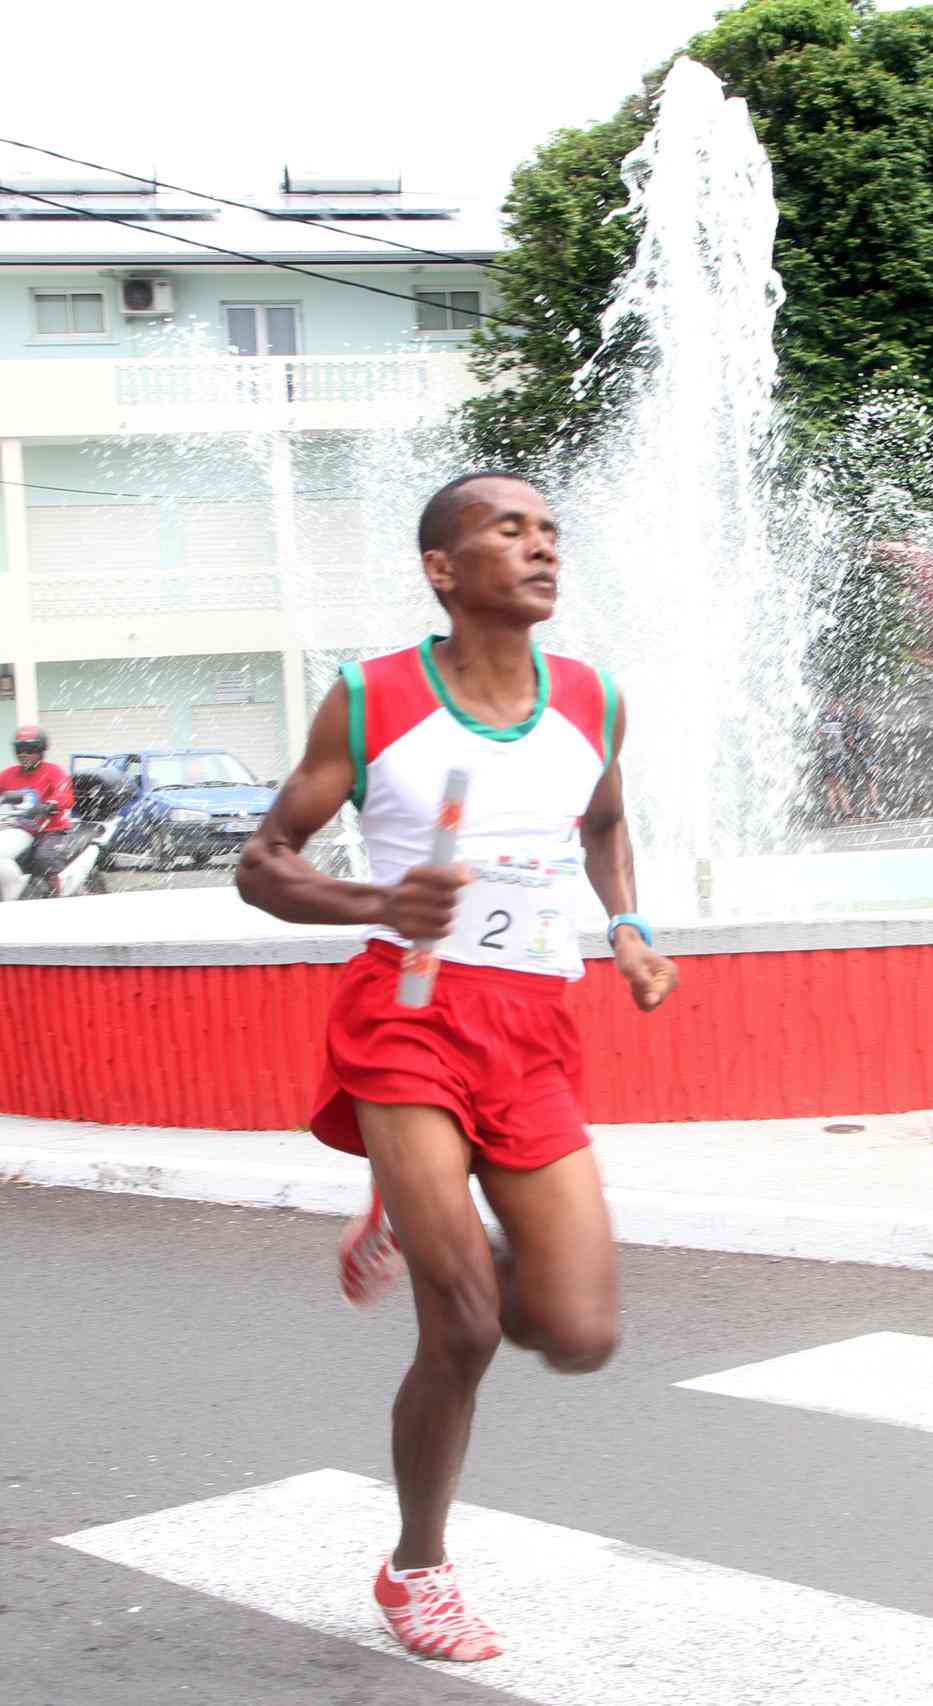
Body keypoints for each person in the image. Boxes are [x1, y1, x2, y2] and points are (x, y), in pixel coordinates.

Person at [236, 471, 678, 1664]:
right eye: (508, 530)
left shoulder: (591, 696)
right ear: (442, 565)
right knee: (466, 1322)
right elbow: (263, 861)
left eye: (549, 531)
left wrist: (626, 926)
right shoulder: (371, 697)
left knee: (578, 1332)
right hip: (408, 1015)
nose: (540, 548)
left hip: (534, 1023)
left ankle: (418, 1202)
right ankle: (416, 1565)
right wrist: (381, 896)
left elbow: (602, 823)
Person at [0, 725, 75, 902]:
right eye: (19, 749)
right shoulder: (8, 774)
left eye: (30, 749)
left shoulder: (53, 771)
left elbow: (65, 794)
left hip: (51, 828)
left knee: (44, 858)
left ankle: (59, 898)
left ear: (41, 750)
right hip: (18, 828)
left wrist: (51, 804)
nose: (23, 754)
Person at [844, 703, 885, 819]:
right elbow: (851, 742)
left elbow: (871, 739)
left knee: (871, 782)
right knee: (870, 782)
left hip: (871, 753)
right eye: (859, 711)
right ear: (856, 712)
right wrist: (861, 751)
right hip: (863, 756)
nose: (861, 712)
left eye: (861, 711)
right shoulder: (852, 725)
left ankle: (871, 807)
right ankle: (874, 807)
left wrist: (873, 755)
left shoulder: (866, 722)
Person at [815, 700, 853, 824]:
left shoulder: (841, 720)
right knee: (832, 786)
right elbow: (819, 735)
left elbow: (848, 737)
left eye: (838, 707)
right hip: (829, 756)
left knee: (841, 785)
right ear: (830, 708)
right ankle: (835, 812)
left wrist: (848, 739)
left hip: (840, 756)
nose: (836, 709)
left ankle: (846, 812)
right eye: (835, 707)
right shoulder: (824, 720)